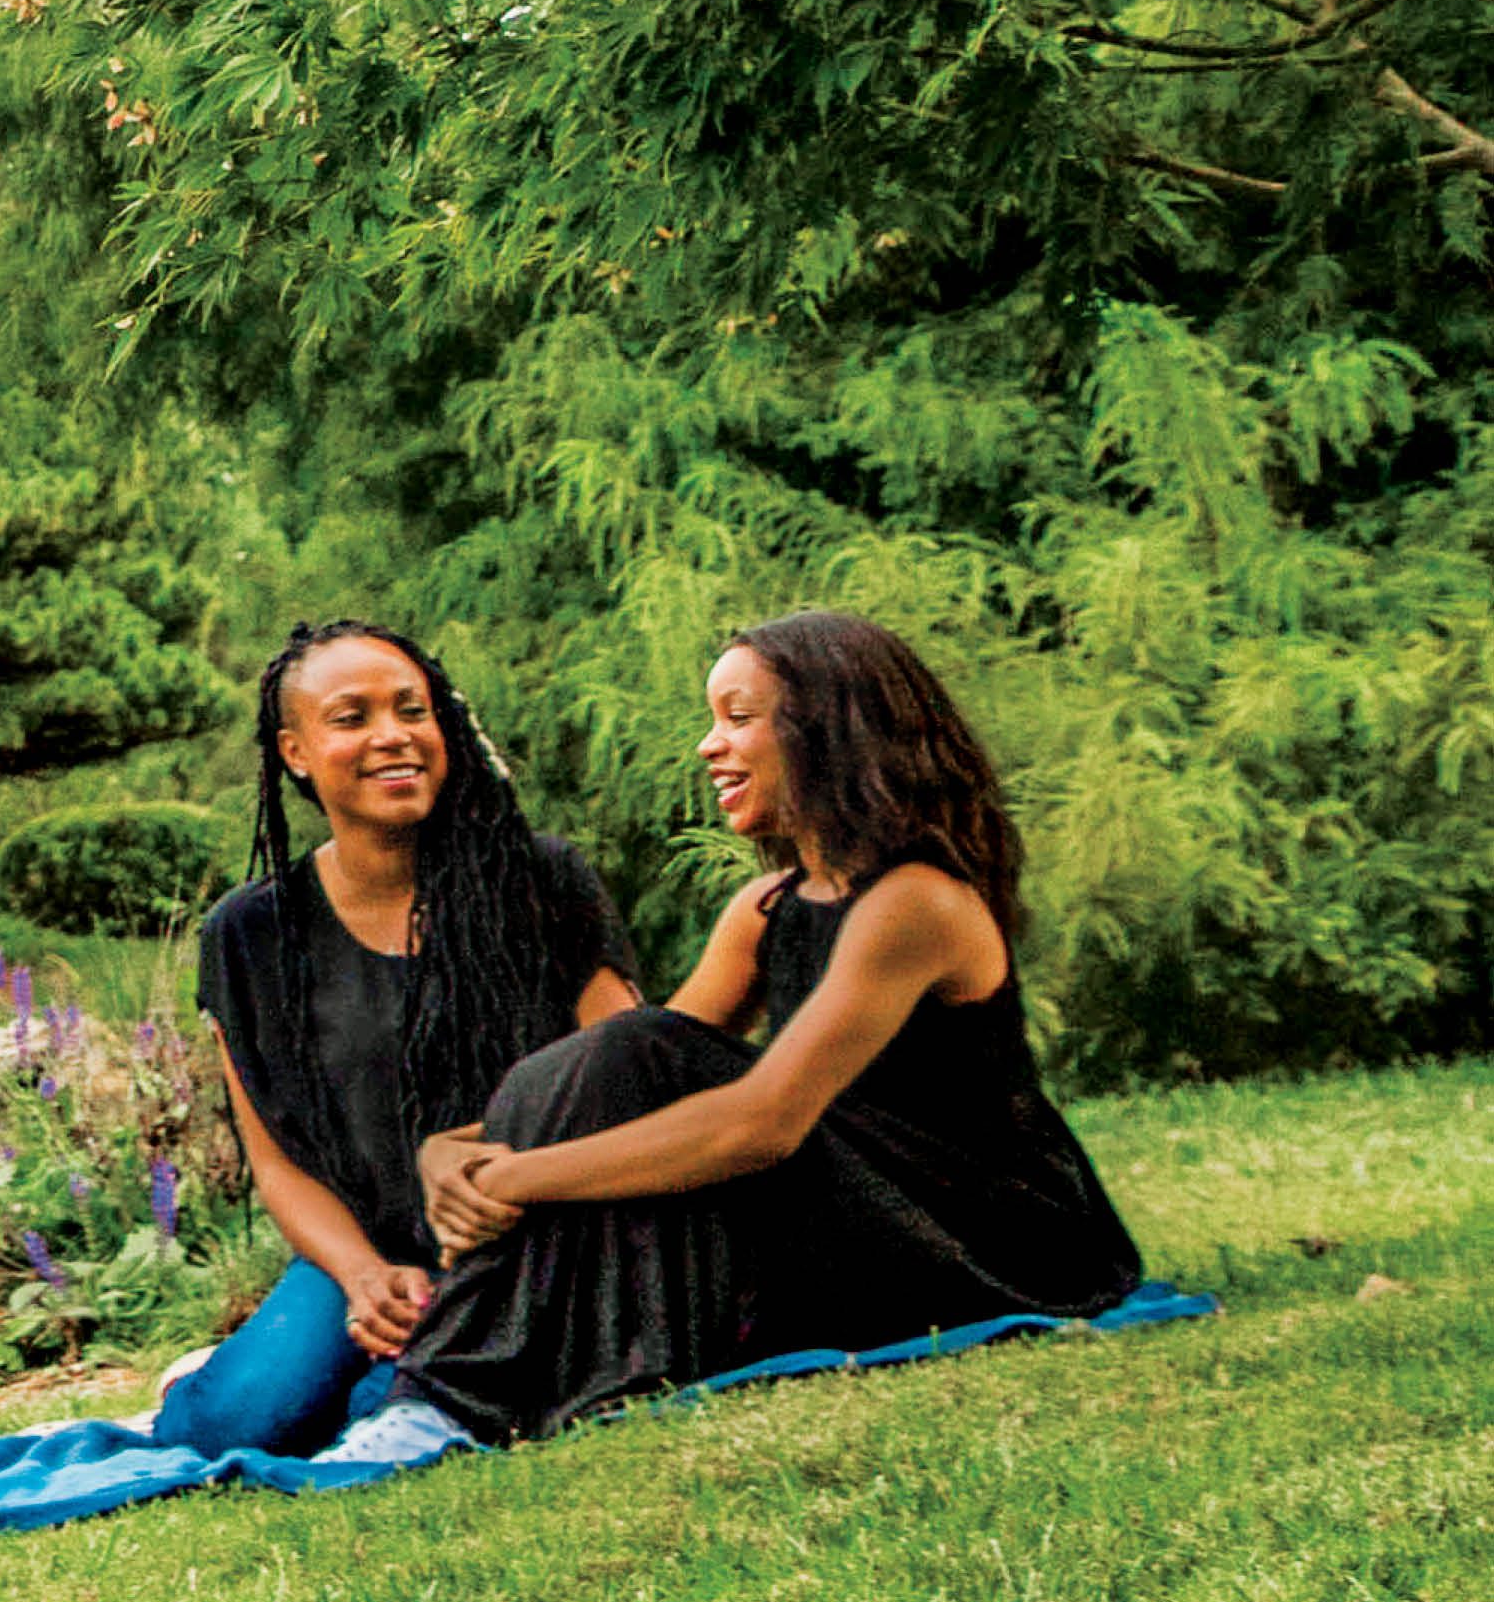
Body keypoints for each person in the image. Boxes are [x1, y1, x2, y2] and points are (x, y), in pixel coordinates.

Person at [389, 611, 1143, 1442]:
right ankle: (461, 1387)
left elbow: (762, 1125)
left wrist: (510, 1177)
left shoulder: (914, 902)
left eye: (737, 718)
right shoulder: (764, 908)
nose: (709, 746)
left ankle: (444, 1396)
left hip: (987, 1235)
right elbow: (618, 1082)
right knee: (622, 1052)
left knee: (634, 1047)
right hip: (861, 1210)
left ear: (828, 729)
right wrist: (451, 1148)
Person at [160, 621, 642, 1459]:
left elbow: (635, 1075)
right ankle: (223, 1370)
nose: (393, 736)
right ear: (295, 752)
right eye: (351, 718)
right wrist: (359, 1276)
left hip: (538, 1240)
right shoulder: (246, 934)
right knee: (233, 1425)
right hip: (372, 1252)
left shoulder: (539, 883)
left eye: (412, 710)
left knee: (389, 1417)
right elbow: (276, 1163)